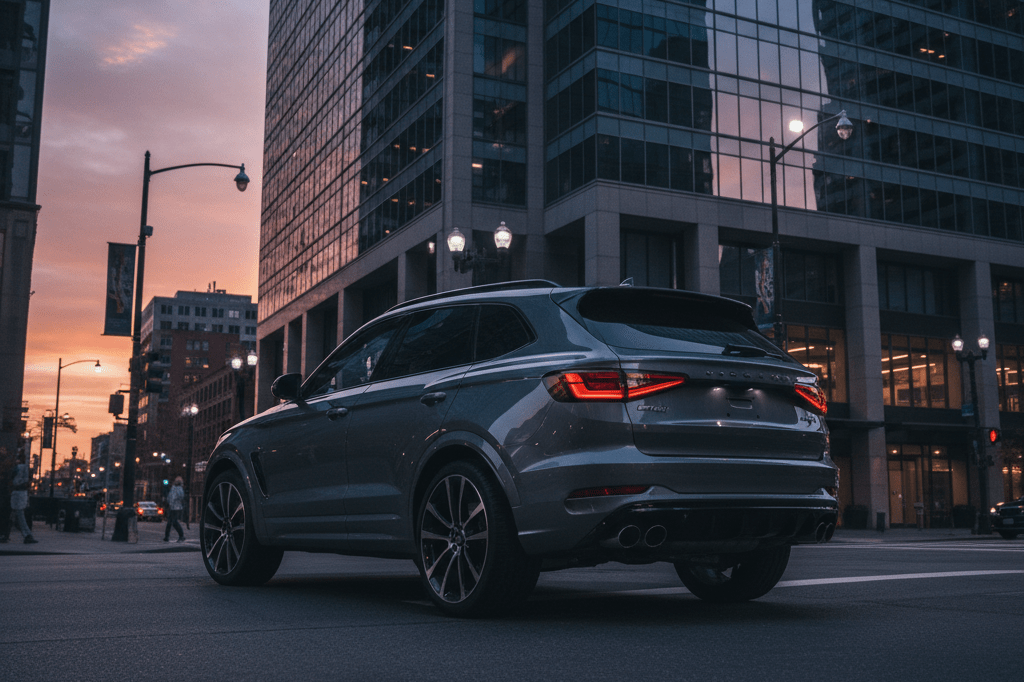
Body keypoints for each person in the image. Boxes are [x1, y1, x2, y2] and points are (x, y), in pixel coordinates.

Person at [10, 451, 37, 544]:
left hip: (15, 491)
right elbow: (26, 480)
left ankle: (26, 534)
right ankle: (27, 535)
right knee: (19, 514)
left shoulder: (15, 467)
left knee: (16, 514)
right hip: (20, 492)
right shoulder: (24, 467)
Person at [163, 476, 185, 542]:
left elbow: (171, 497)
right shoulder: (179, 488)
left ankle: (180, 536)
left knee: (173, 522)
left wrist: (170, 502)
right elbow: (180, 497)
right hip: (175, 507)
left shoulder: (174, 488)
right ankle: (167, 537)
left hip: (175, 507)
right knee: (171, 522)